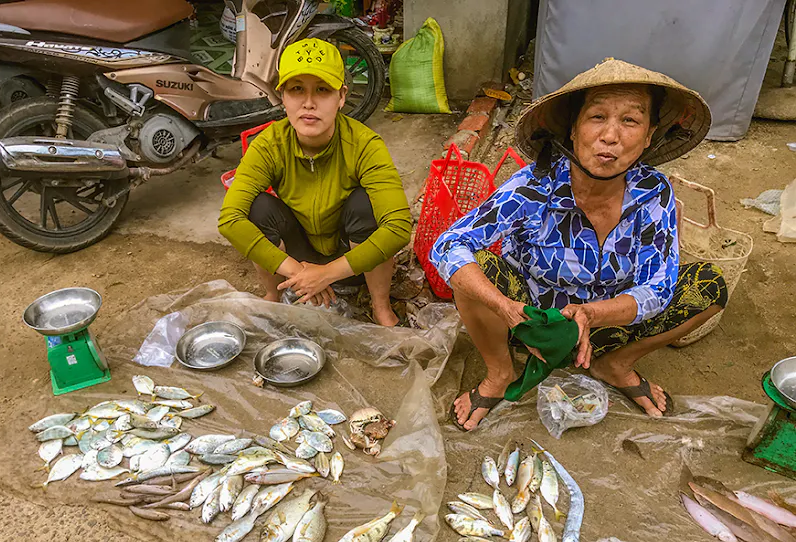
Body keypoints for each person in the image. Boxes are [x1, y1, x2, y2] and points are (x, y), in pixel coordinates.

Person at [430, 59, 728, 430]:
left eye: (630, 121)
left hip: (607, 325)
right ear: (573, 130)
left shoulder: (654, 193)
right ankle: (500, 372)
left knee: (708, 285)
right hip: (534, 324)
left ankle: (614, 364)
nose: (610, 136)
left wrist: (591, 314)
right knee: (472, 267)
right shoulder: (532, 187)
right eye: (597, 117)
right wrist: (505, 307)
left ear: (649, 136)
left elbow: (659, 285)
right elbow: (448, 245)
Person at [219, 38, 411, 327]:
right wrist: (299, 272)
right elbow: (229, 220)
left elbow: (398, 228)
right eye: (297, 89)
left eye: (322, 90)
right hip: (299, 254)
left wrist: (327, 274)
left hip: (353, 258)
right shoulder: (269, 145)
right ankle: (273, 293)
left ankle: (380, 305)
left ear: (342, 96)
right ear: (281, 96)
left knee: (366, 203)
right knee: (256, 208)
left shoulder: (365, 144)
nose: (309, 103)